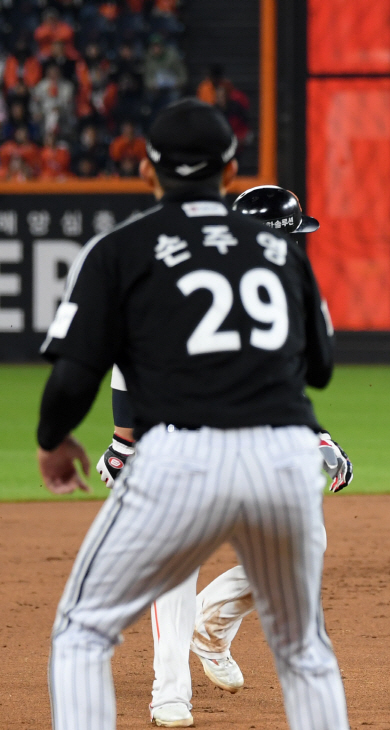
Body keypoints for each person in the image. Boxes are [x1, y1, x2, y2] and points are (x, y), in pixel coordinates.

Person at [37, 99, 349, 730]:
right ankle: (178, 685)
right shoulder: (284, 254)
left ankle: (168, 694)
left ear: (149, 170)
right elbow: (320, 369)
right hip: (278, 458)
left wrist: (53, 439)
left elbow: (76, 375)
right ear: (230, 169)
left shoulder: (121, 249)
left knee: (82, 631)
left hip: (179, 454)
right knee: (304, 650)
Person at [93, 185, 347, 727]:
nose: (299, 246)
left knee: (304, 543)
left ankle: (211, 627)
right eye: (293, 235)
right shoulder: (194, 285)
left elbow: (275, 387)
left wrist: (316, 436)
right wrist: (122, 440)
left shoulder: (281, 291)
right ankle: (169, 691)